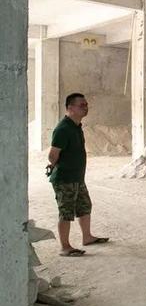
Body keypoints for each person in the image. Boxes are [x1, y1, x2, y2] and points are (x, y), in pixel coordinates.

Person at [47, 93, 109, 257]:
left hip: (77, 178)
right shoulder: (63, 129)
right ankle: (65, 247)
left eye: (86, 104)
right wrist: (56, 165)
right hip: (65, 179)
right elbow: (52, 155)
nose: (86, 107)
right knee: (66, 212)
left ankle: (87, 237)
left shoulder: (76, 126)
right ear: (70, 108)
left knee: (84, 206)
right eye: (82, 105)